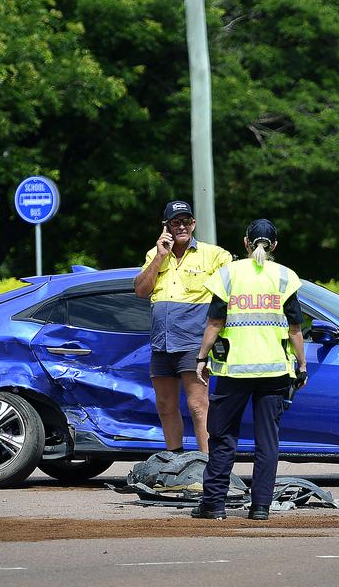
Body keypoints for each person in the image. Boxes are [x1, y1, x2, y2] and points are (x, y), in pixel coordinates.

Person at [191, 219, 307, 521]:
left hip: (233, 372)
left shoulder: (228, 274)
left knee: (222, 437)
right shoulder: (285, 277)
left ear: (245, 243)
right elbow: (295, 329)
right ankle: (260, 507)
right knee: (267, 441)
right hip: (274, 373)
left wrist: (201, 358)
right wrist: (302, 365)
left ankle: (214, 504)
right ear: (275, 246)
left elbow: (214, 323)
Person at [133, 200, 232, 454]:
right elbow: (141, 291)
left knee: (198, 407)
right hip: (162, 343)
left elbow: (228, 295)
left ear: (194, 223)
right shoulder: (154, 254)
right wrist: (160, 256)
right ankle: (175, 460)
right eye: (175, 222)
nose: (182, 227)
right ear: (166, 226)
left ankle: (209, 468)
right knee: (165, 406)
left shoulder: (215, 255)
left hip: (194, 342)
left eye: (186, 221)